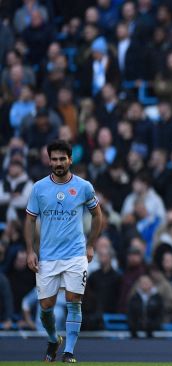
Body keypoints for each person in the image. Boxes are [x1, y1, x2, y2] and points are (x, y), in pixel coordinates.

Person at [24, 140, 103, 363]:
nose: (58, 163)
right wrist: (30, 251)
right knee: (45, 307)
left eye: (62, 159)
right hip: (48, 256)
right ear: (49, 161)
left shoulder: (83, 186)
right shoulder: (39, 188)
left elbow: (98, 215)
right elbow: (30, 220)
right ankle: (53, 339)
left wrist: (90, 244)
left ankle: (69, 352)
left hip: (76, 254)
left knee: (73, 300)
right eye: (54, 159)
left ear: (70, 159)